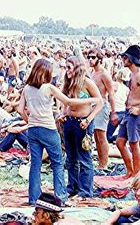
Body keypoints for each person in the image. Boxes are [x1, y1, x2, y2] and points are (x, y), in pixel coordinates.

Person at [19, 58, 100, 204]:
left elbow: (20, 109)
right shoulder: (49, 87)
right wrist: (90, 100)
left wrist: (29, 121)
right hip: (50, 128)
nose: (66, 70)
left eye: (69, 67)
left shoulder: (26, 88)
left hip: (34, 130)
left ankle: (34, 198)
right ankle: (61, 195)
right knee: (59, 163)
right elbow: (68, 102)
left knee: (35, 165)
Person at [60, 56, 103, 198]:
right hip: (69, 122)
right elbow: (64, 101)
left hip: (82, 123)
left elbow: (99, 102)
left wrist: (89, 120)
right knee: (70, 157)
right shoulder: (68, 82)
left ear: (77, 68)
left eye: (69, 67)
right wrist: (62, 113)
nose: (66, 71)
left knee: (84, 158)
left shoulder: (87, 82)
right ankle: (72, 187)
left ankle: (85, 190)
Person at [116, 45, 140, 178]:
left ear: (131, 59)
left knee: (133, 143)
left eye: (125, 57)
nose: (123, 59)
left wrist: (139, 110)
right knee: (120, 142)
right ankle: (130, 170)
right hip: (128, 112)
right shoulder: (132, 74)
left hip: (135, 114)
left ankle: (136, 174)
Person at [87, 47, 117, 170]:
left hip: (102, 106)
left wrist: (113, 112)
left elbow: (111, 93)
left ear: (99, 58)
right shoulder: (93, 73)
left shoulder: (104, 74)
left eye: (93, 57)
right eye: (89, 57)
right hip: (94, 106)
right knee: (96, 136)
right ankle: (101, 162)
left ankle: (104, 164)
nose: (90, 59)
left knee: (101, 136)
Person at [106, 69, 130, 143]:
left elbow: (110, 96)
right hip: (123, 111)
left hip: (115, 111)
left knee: (108, 136)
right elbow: (127, 101)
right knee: (120, 132)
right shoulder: (127, 89)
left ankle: (115, 139)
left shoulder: (115, 85)